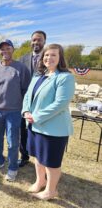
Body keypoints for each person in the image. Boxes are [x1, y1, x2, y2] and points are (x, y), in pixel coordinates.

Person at [22, 44, 75, 200]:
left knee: (51, 161)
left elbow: (61, 103)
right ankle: (40, 181)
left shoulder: (65, 77)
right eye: (46, 55)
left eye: (53, 55)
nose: (49, 58)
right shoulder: (38, 75)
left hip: (53, 129)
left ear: (60, 58)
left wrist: (36, 116)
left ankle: (51, 191)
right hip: (34, 125)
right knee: (38, 156)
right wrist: (25, 111)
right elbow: (27, 96)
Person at [0, 39, 30, 181]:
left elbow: (26, 90)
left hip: (14, 112)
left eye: (8, 48)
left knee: (13, 142)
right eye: (2, 49)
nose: (5, 51)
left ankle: (13, 167)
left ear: (13, 50)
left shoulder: (21, 68)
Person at [18, 30, 47, 167]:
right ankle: (24, 156)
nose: (36, 42)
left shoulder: (49, 58)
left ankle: (40, 159)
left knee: (39, 131)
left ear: (44, 41)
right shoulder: (23, 59)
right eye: (34, 40)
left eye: (39, 40)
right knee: (22, 130)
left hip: (42, 102)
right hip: (24, 101)